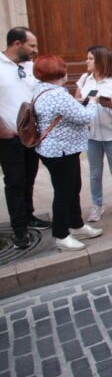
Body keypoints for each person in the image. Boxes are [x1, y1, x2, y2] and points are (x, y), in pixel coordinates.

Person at [33, 55, 103, 250]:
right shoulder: (57, 94)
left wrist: (81, 102)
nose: (66, 71)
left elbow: (67, 112)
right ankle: (61, 234)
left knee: (73, 187)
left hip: (60, 149)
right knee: (64, 192)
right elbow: (85, 116)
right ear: (58, 72)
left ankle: (76, 223)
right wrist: (93, 102)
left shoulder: (42, 89)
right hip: (60, 151)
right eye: (63, 68)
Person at [0, 27, 50, 248]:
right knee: (15, 182)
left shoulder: (31, 67)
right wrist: (2, 130)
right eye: (31, 46)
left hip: (32, 135)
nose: (35, 50)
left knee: (29, 178)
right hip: (9, 137)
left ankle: (29, 216)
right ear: (17, 44)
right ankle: (19, 230)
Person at [75, 45, 112, 222]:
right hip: (92, 134)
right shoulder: (85, 79)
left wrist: (110, 105)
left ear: (101, 61)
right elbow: (76, 102)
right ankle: (96, 205)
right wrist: (86, 102)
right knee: (94, 172)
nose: (87, 61)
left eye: (90, 59)